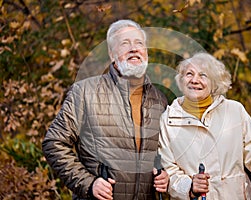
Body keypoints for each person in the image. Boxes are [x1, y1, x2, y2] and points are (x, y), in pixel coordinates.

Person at [42, 19, 169, 200]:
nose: (134, 48)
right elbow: (54, 142)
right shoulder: (85, 92)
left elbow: (163, 155)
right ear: (112, 54)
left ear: (146, 52)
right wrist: (88, 183)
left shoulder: (160, 99)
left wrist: (165, 175)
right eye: (125, 43)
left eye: (139, 43)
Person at [158, 52, 251, 199]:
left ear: (214, 82)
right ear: (181, 80)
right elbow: (170, 171)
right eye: (189, 74)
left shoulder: (234, 110)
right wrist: (190, 186)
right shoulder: (168, 120)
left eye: (203, 75)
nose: (194, 80)